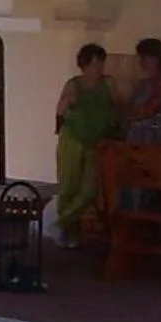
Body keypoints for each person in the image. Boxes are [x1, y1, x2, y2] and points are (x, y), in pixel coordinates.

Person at [53, 43, 121, 247]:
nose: (99, 67)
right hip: (73, 139)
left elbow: (118, 107)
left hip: (97, 142)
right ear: (85, 65)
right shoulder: (74, 85)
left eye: (101, 62)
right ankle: (68, 233)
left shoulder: (108, 84)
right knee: (68, 187)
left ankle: (58, 223)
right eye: (95, 63)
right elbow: (60, 110)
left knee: (90, 190)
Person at [125, 37, 161, 143]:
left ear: (155, 59)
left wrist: (128, 116)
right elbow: (130, 106)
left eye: (143, 58)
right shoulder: (142, 84)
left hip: (157, 139)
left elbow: (149, 109)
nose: (140, 62)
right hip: (136, 138)